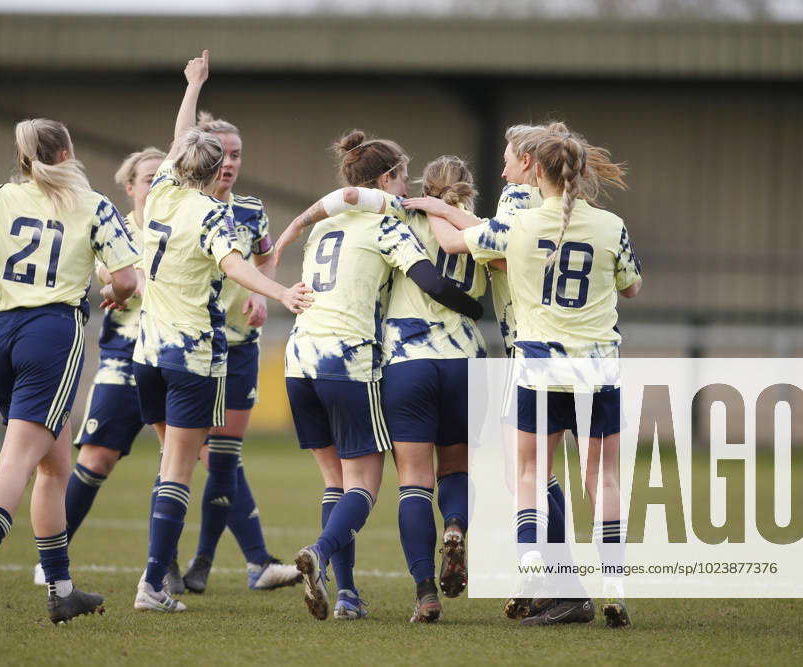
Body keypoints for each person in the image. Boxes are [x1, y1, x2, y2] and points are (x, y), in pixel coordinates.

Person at [403, 121, 641, 628]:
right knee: (598, 477)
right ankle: (606, 582)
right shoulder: (606, 223)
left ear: (532, 164)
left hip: (534, 356)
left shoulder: (517, 206)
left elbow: (461, 243)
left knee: (528, 474)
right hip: (598, 363)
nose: (504, 167)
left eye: (510, 156)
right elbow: (631, 284)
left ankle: (555, 580)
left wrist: (429, 208)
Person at [0, 117, 141, 628]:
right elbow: (127, 280)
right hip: (51, 333)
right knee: (21, 460)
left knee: (54, 465)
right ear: (67, 151)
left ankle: (61, 589)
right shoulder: (92, 204)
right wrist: (113, 294)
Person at [275, 130, 484, 621]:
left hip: (308, 358)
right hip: (382, 361)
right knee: (432, 473)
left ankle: (372, 593)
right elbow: (433, 278)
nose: (404, 185)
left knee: (370, 481)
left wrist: (290, 230)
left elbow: (344, 198)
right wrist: (473, 306)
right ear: (388, 179)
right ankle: (447, 528)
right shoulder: (476, 227)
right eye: (399, 176)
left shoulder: (331, 229)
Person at [131, 49, 312, 613]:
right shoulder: (212, 214)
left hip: (147, 351)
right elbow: (235, 265)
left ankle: (178, 576)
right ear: (215, 171)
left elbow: (182, 136)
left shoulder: (161, 191)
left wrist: (192, 88)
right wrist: (279, 293)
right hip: (192, 357)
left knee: (176, 466)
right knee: (179, 473)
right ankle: (154, 584)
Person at [178, 112, 302, 594]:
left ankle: (204, 561)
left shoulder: (250, 210)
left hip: (238, 347)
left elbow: (267, 253)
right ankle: (165, 564)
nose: (229, 163)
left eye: (236, 155)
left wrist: (261, 292)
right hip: (187, 347)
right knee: (184, 459)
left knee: (224, 460)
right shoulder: (182, 206)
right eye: (222, 154)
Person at [29, 147, 164, 587]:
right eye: (148, 178)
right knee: (96, 456)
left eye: (163, 176)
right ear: (130, 187)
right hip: (125, 357)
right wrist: (133, 283)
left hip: (176, 355)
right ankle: (53, 554)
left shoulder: (181, 223)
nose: (156, 184)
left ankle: (181, 565)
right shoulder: (118, 227)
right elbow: (109, 274)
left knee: (203, 459)